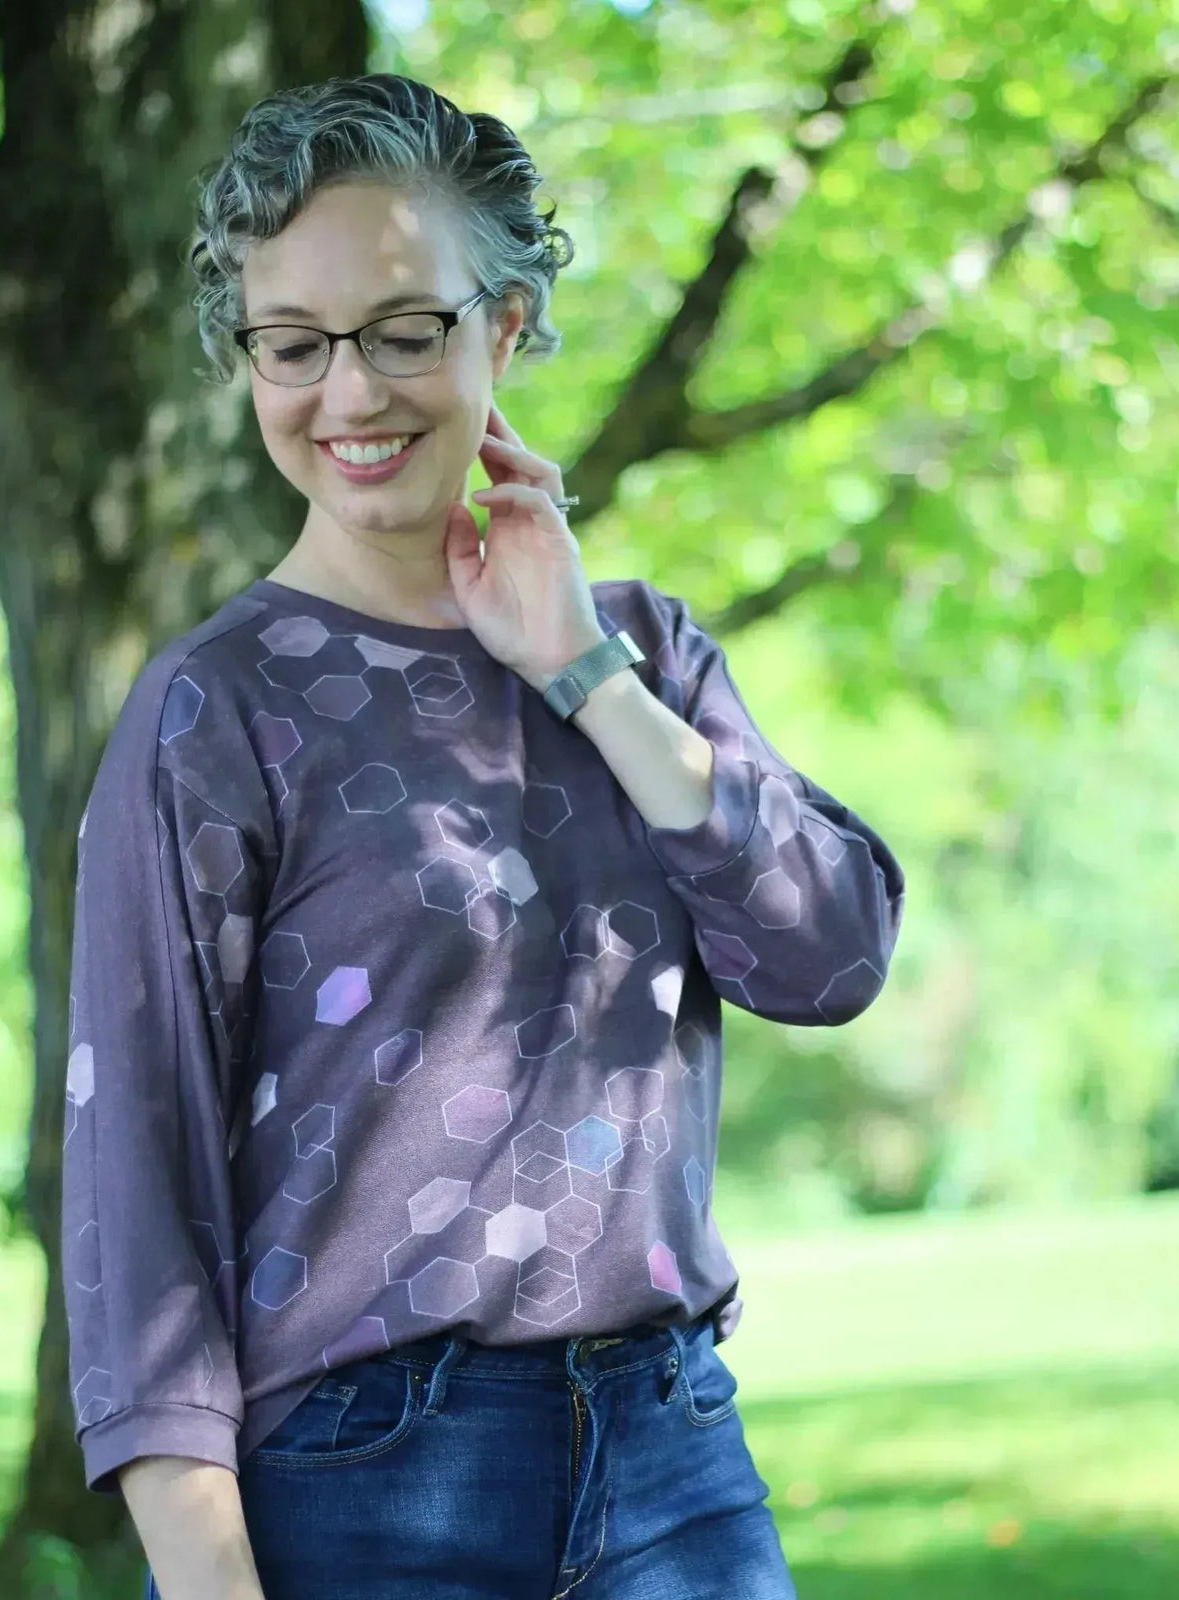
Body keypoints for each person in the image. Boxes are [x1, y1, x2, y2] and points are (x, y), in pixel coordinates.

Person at [60, 73, 904, 1600]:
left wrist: (583, 671)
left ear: (503, 325)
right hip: (368, 1483)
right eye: (293, 345)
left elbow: (831, 952)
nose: (352, 393)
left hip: (675, 1458)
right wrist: (202, 1570)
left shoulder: (644, 653)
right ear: (244, 355)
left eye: (405, 330)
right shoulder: (216, 711)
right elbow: (139, 1174)